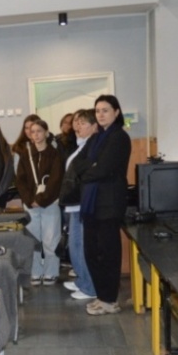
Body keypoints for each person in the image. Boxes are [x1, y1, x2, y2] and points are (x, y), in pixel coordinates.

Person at [80, 94, 131, 315]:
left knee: (108, 253)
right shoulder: (96, 137)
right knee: (92, 252)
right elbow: (82, 163)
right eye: (98, 111)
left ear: (116, 112)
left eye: (105, 110)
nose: (100, 114)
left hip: (109, 204)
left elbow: (104, 169)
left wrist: (87, 172)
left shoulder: (119, 137)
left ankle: (110, 300)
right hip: (92, 204)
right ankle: (102, 296)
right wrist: (89, 169)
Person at [16, 118, 64, 286]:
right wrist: (30, 200)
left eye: (39, 131)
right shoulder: (25, 155)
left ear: (46, 133)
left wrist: (41, 200)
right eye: (33, 132)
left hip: (50, 204)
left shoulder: (55, 154)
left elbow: (56, 180)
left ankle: (51, 272)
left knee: (51, 240)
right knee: (33, 241)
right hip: (30, 205)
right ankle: (35, 271)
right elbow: (20, 180)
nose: (36, 134)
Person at [58, 110, 99, 301]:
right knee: (74, 245)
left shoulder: (92, 146)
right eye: (77, 122)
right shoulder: (80, 145)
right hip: (73, 204)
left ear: (94, 126)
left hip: (82, 204)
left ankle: (90, 287)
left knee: (82, 246)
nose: (77, 126)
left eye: (82, 123)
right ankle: (83, 280)